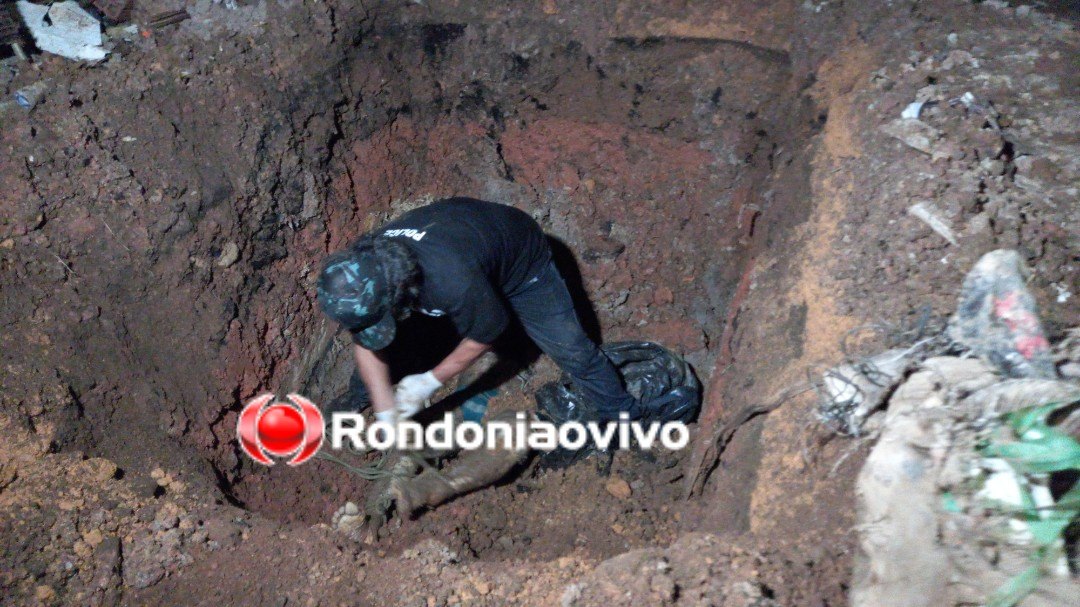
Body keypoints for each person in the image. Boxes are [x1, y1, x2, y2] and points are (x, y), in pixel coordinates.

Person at [316, 197, 640, 428]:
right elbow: (365, 336)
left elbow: (487, 333)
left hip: (522, 259)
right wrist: (385, 408)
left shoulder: (452, 281)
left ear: (399, 289)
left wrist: (428, 382)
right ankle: (359, 395)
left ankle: (623, 415)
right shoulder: (360, 266)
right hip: (459, 232)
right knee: (390, 336)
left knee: (574, 350)